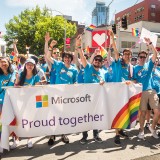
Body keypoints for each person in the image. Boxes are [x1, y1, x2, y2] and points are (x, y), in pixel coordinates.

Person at [45, 39, 78, 145]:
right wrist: (50, 46)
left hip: (67, 97)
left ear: (71, 59)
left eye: (69, 58)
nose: (67, 59)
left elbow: (75, 83)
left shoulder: (74, 70)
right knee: (53, 115)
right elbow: (48, 57)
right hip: (55, 95)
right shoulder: (59, 65)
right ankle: (52, 135)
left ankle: (64, 134)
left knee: (64, 116)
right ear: (63, 59)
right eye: (65, 58)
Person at [76, 35, 104, 144]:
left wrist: (103, 83)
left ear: (101, 63)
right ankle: (84, 136)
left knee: (95, 117)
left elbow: (106, 84)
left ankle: (96, 135)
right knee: (85, 117)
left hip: (97, 99)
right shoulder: (87, 68)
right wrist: (79, 47)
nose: (97, 61)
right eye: (96, 60)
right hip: (86, 98)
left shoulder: (103, 72)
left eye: (99, 60)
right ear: (93, 61)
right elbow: (82, 57)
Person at [10, 58, 41, 149]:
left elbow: (38, 89)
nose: (30, 66)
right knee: (18, 121)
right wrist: (17, 79)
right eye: (28, 64)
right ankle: (16, 139)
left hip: (30, 102)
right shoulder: (21, 75)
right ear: (25, 66)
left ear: (34, 66)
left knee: (28, 121)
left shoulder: (36, 76)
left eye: (31, 65)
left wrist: (36, 86)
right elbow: (15, 87)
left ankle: (29, 138)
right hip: (19, 101)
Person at [133, 38, 160, 139]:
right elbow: (133, 80)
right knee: (143, 113)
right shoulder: (134, 68)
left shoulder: (149, 65)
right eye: (141, 57)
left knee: (157, 112)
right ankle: (141, 130)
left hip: (151, 91)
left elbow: (155, 54)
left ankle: (152, 128)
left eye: (144, 57)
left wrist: (150, 44)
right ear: (138, 58)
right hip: (141, 92)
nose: (143, 58)